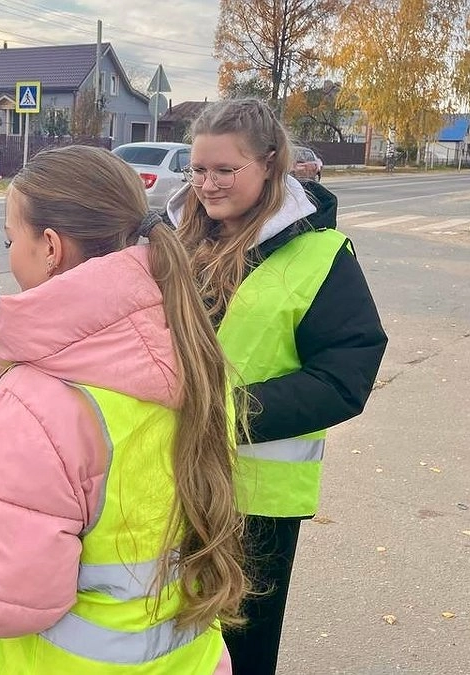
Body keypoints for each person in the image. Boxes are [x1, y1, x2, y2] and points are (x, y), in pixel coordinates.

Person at [0, 145, 247, 673]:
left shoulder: (37, 404)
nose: (10, 256)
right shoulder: (192, 354)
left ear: (50, 247)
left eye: (11, 242)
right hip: (191, 659)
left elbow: (8, 599)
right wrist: (15, 390)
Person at [165, 98, 388, 675]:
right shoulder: (176, 241)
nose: (207, 185)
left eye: (225, 169)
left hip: (254, 501)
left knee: (240, 647)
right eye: (197, 169)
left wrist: (226, 413)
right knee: (167, 640)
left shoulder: (320, 255)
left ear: (268, 164)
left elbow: (344, 377)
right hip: (162, 478)